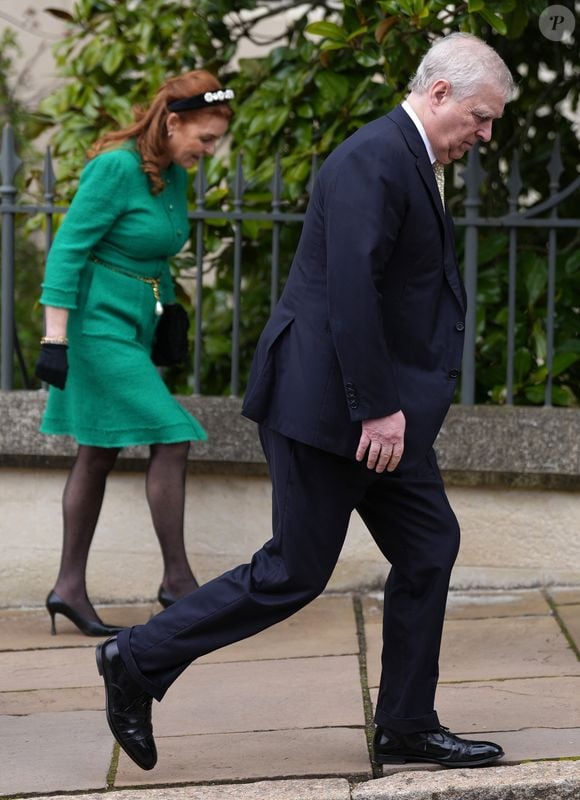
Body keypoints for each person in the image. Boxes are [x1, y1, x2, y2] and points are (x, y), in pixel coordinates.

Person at [95, 33, 515, 771]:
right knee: (294, 570)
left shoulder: (411, 158)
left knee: (428, 547)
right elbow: (348, 297)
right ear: (441, 93)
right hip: (335, 410)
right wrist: (378, 408)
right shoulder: (372, 158)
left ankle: (406, 723)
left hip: (382, 418)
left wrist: (393, 411)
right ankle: (135, 659)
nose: (484, 135)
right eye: (481, 117)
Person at [35, 71, 233, 636]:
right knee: (172, 433)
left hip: (133, 326)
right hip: (94, 329)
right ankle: (178, 582)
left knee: (98, 451)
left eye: (216, 140)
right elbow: (67, 251)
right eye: (206, 137)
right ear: (173, 122)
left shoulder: (171, 175)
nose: (209, 150)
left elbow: (156, 253)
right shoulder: (116, 167)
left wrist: (170, 314)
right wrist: (55, 339)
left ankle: (68, 588)